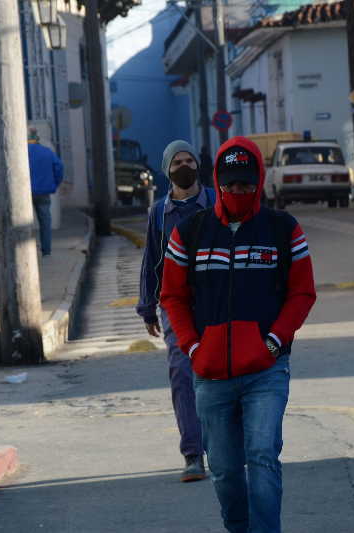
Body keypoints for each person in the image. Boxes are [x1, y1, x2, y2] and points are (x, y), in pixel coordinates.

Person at [160, 136, 317, 533]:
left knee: (263, 456)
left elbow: (302, 292)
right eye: (230, 185)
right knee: (226, 471)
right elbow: (172, 296)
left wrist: (275, 340)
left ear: (259, 182)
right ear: (219, 181)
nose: (237, 192)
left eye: (246, 185)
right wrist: (193, 347)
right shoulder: (191, 232)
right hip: (211, 374)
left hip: (267, 370)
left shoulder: (283, 229)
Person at [136, 140, 216, 483]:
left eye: (190, 160)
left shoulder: (217, 201)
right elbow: (151, 261)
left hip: (218, 301)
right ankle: (193, 454)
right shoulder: (159, 212)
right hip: (176, 305)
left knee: (219, 375)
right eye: (177, 162)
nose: (185, 166)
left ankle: (226, 448)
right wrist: (147, 306)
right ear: (167, 170)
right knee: (182, 373)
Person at [27, 128, 64, 256]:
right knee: (45, 222)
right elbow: (59, 168)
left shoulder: (21, 152)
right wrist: (54, 184)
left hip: (24, 193)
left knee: (24, 223)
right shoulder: (47, 152)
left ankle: (26, 251)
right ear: (37, 139)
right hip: (43, 192)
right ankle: (46, 250)